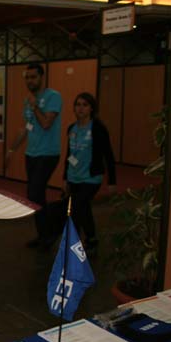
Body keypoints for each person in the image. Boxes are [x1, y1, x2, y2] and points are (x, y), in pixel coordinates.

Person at [6, 63, 62, 249]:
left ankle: (51, 232)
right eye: (27, 78)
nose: (30, 81)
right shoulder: (27, 100)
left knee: (35, 193)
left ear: (41, 78)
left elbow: (46, 124)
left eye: (33, 77)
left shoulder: (53, 97)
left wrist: (35, 105)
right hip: (31, 154)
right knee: (35, 197)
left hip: (48, 154)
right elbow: (27, 128)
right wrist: (12, 149)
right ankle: (43, 235)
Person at [64, 92, 116, 250]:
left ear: (91, 108)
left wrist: (112, 181)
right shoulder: (72, 128)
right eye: (78, 105)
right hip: (74, 177)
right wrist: (65, 178)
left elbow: (108, 155)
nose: (80, 108)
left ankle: (87, 238)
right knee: (79, 208)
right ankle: (82, 239)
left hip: (91, 177)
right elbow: (69, 154)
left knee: (79, 205)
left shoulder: (98, 128)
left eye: (85, 105)